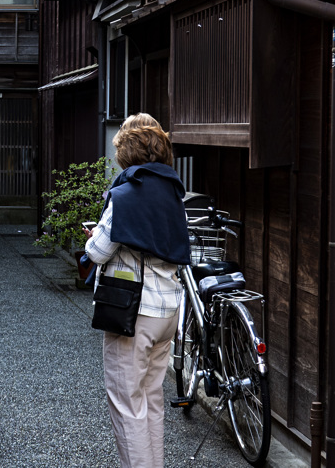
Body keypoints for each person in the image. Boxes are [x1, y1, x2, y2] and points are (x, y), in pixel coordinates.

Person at [84, 113, 191, 468]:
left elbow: (98, 251)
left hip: (134, 312)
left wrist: (93, 239)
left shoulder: (125, 194)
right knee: (151, 398)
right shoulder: (176, 193)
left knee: (128, 402)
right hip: (168, 310)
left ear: (126, 154)